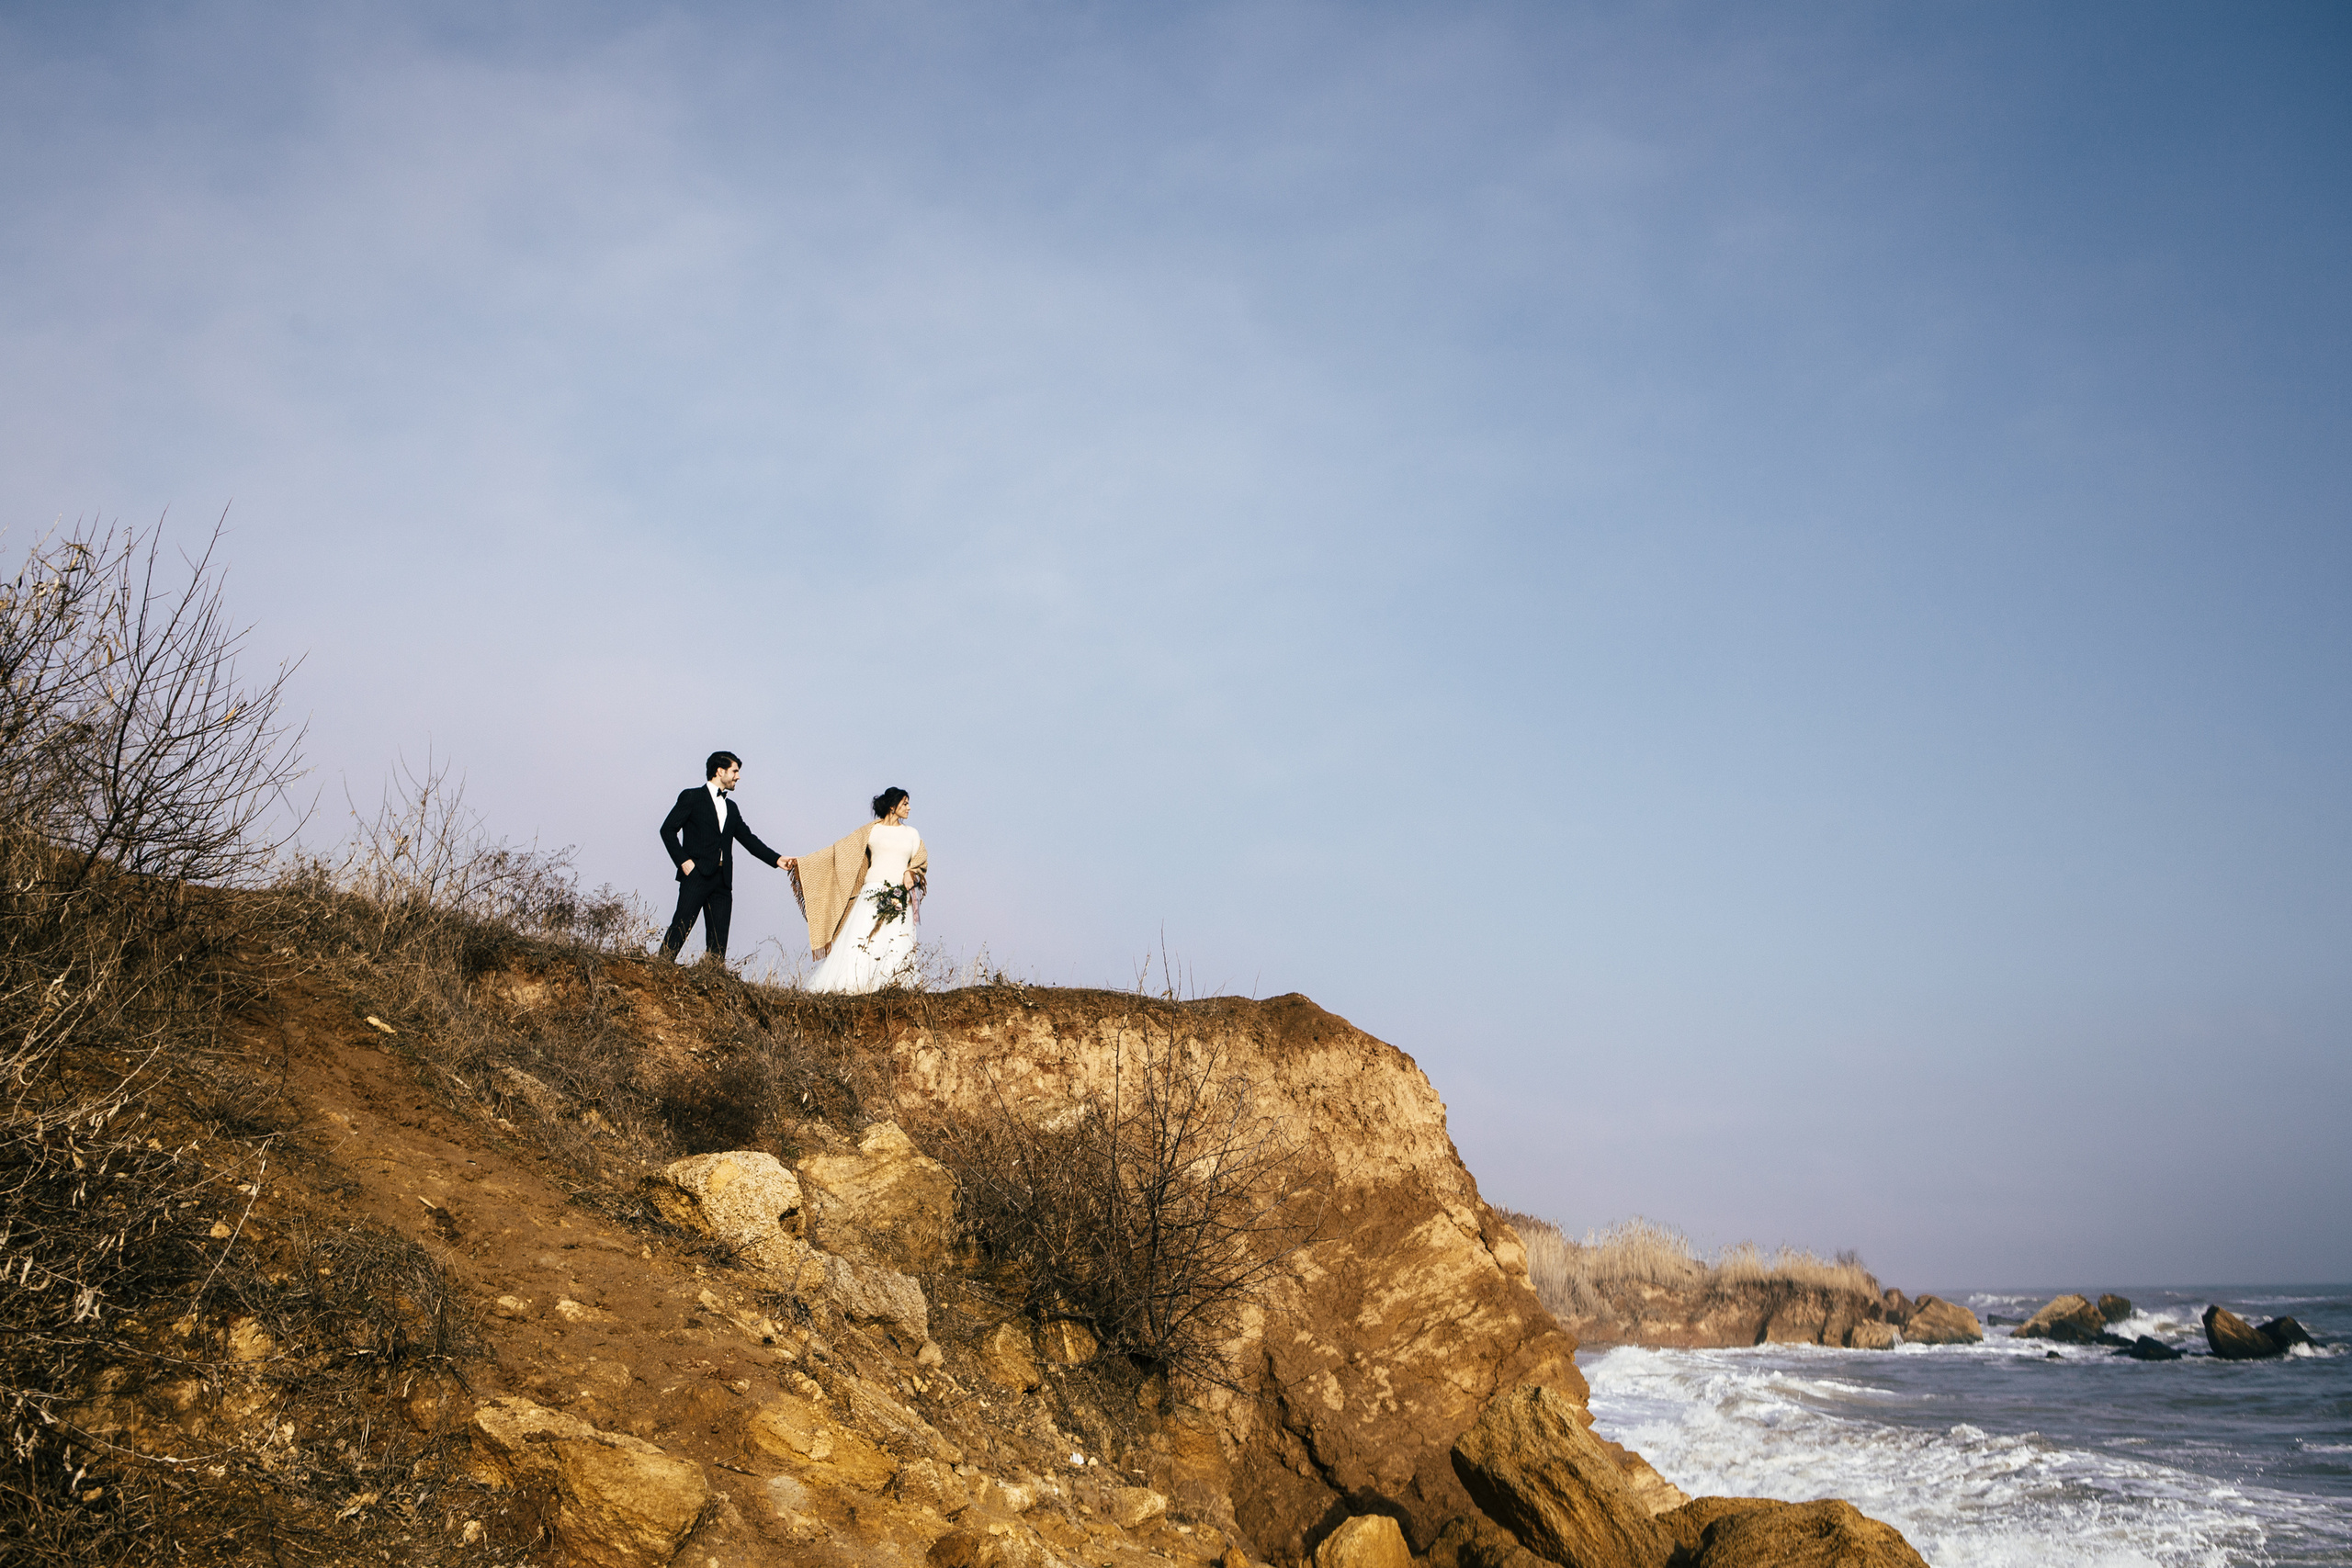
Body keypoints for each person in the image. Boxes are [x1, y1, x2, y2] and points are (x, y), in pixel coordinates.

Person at [656, 750, 793, 965]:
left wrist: (776, 859)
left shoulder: (732, 807)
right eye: (735, 771)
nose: (738, 777)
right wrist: (684, 862)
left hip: (722, 880)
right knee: (681, 925)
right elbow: (667, 830)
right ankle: (659, 968)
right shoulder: (691, 797)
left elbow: (748, 839)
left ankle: (712, 979)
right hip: (696, 874)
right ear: (720, 771)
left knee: (718, 941)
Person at [795, 787, 926, 994]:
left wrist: (911, 872)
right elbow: (839, 852)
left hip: (899, 894)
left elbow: (920, 859)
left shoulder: (912, 833)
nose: (909, 808)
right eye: (905, 804)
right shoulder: (870, 831)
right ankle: (854, 985)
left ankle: (894, 987)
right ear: (892, 806)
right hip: (872, 891)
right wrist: (802, 862)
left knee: (897, 941)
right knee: (864, 939)